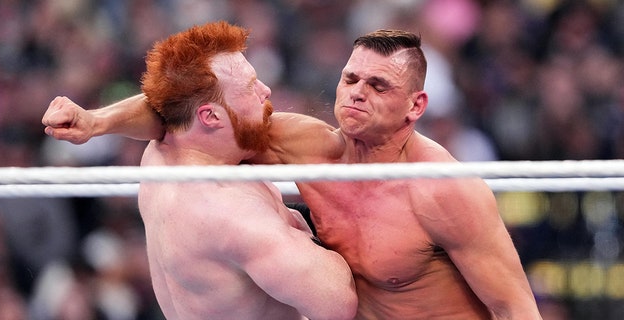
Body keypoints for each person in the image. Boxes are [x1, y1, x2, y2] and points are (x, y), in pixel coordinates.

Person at [43, 27, 541, 319]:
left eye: (378, 85)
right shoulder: (303, 144)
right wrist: (96, 121)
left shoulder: (441, 189)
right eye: (349, 77)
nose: (356, 92)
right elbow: (184, 117)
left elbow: (517, 309)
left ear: (416, 107)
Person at [43, 22, 358, 320]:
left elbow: (166, 101)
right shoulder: (234, 216)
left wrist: (97, 122)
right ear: (210, 117)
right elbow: (337, 303)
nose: (266, 90)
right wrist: (310, 223)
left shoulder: (160, 152)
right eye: (250, 87)